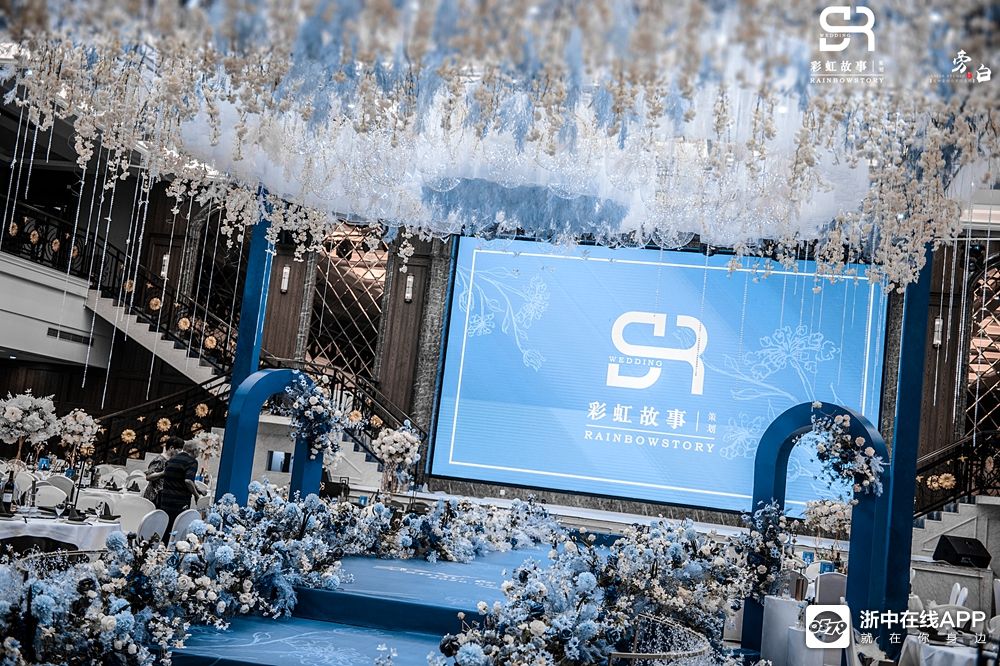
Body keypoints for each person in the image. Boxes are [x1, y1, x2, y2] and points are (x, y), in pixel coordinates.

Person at [157, 440, 206, 531]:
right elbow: (188, 481)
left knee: (165, 526)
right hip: (179, 500)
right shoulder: (192, 462)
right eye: (199, 449)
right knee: (177, 527)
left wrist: (198, 489)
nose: (200, 452)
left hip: (165, 499)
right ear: (194, 450)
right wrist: (196, 495)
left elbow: (178, 477)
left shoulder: (172, 459)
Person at [143, 437, 182, 503]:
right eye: (179, 450)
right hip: (154, 497)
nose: (180, 452)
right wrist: (163, 473)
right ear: (171, 448)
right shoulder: (159, 459)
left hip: (164, 496)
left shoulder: (172, 460)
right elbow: (148, 476)